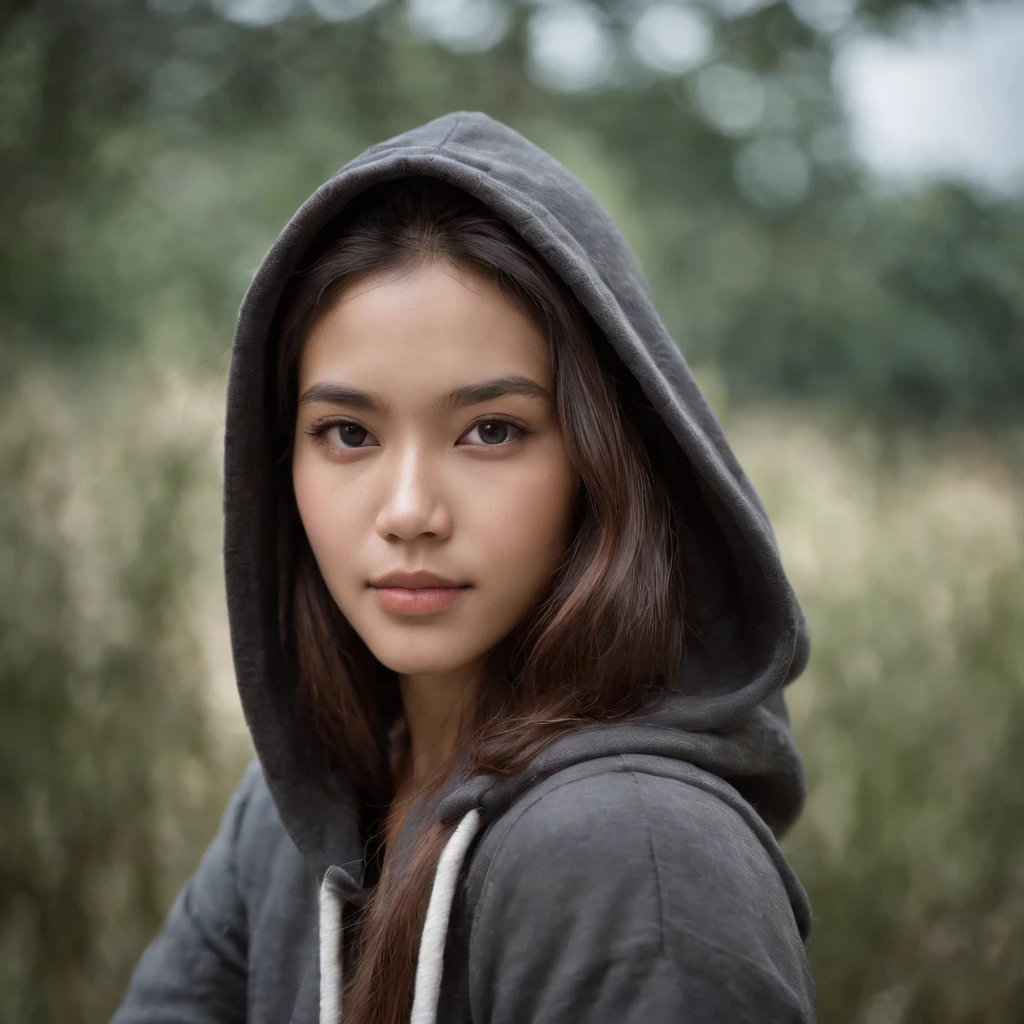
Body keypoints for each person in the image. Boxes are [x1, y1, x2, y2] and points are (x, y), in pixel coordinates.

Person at [110, 111, 816, 1024]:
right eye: (348, 433)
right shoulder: (303, 807)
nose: (409, 512)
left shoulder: (634, 857)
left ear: (603, 466)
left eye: (492, 431)